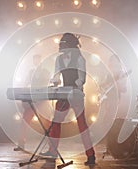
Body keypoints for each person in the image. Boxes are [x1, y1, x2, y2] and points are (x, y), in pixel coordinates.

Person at [39, 33, 96, 165]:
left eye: (64, 45)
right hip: (64, 94)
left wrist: (76, 85)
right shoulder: (59, 60)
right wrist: (54, 81)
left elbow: (82, 79)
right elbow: (57, 76)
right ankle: (52, 151)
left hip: (76, 95)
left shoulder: (80, 59)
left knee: (82, 125)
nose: (61, 48)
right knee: (55, 122)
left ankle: (91, 155)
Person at [13, 54, 51, 151]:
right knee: (24, 122)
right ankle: (21, 144)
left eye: (38, 60)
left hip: (42, 101)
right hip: (33, 100)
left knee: (47, 124)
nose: (37, 62)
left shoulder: (46, 72)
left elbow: (47, 84)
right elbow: (25, 83)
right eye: (35, 61)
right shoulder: (30, 72)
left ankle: (52, 147)